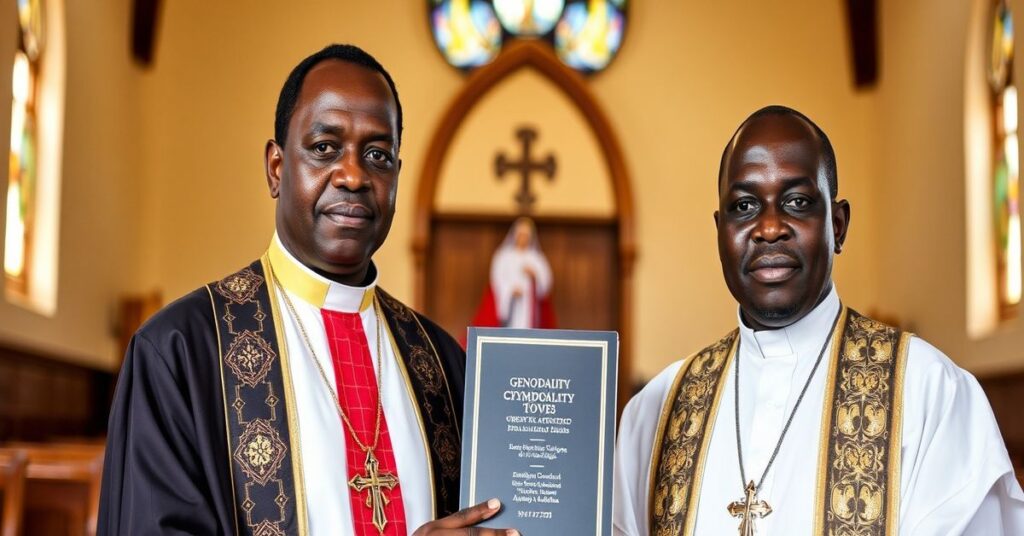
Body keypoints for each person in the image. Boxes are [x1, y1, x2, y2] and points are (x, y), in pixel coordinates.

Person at [98, 44, 518, 536]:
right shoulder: (180, 353)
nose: (354, 176)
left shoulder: (443, 365)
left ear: (396, 179)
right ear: (277, 168)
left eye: (378, 156)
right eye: (324, 148)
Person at [613, 105, 1024, 535]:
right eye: (745, 205)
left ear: (838, 224)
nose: (769, 228)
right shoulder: (657, 411)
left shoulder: (928, 393)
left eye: (796, 201)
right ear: (720, 232)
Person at [471, 217, 556, 330]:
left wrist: (534, 276)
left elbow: (546, 283)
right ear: (515, 235)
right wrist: (510, 289)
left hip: (528, 306)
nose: (523, 239)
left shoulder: (537, 258)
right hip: (510, 302)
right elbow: (497, 279)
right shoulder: (503, 256)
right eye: (521, 235)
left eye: (526, 236)